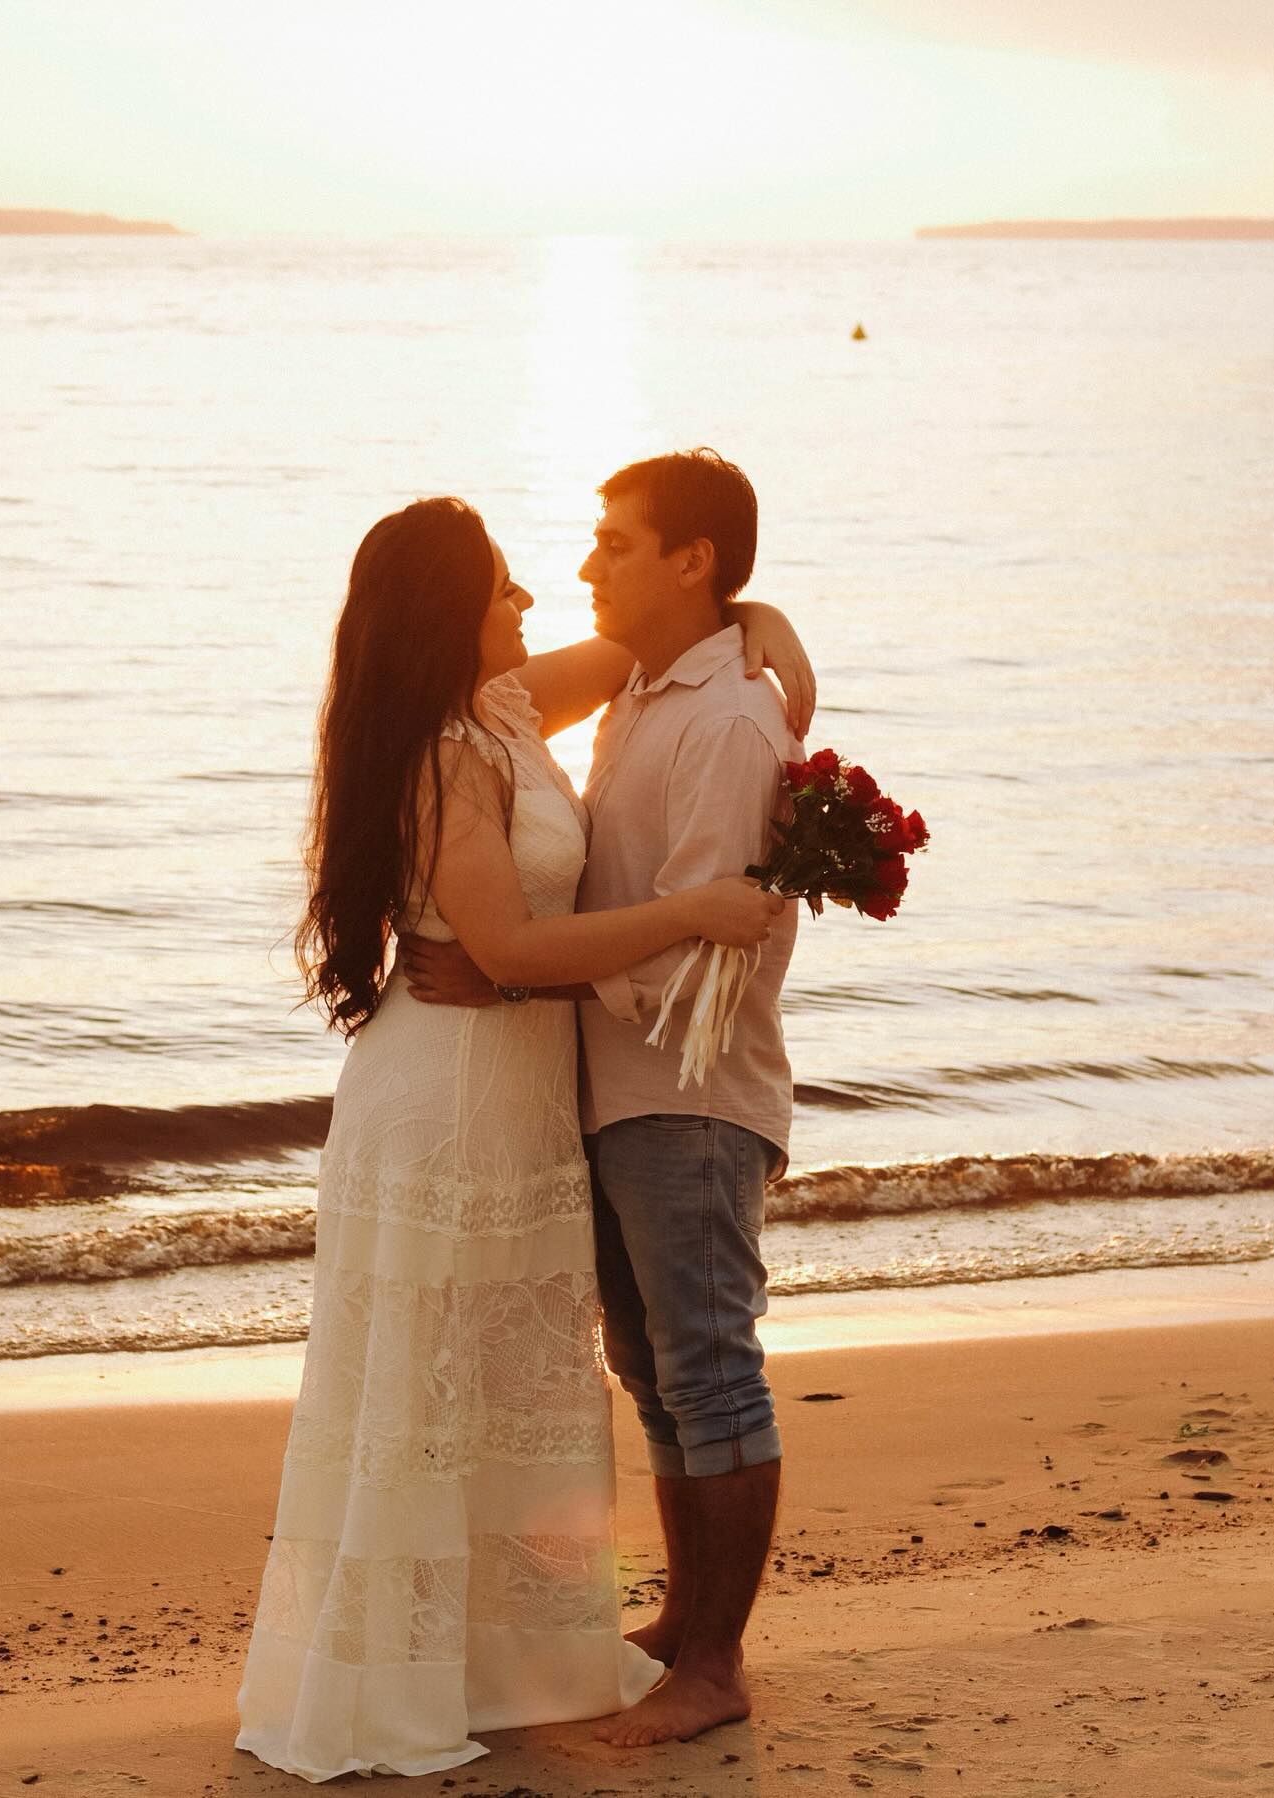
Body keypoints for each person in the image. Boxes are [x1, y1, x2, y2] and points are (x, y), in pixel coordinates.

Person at [234, 493, 810, 1781]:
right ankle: (410, 1669)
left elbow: (665, 643)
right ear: (455, 614)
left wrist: (769, 620)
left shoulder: (501, 707)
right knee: (432, 1390)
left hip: (526, 1092)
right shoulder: (447, 747)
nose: (533, 601)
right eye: (505, 587)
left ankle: (501, 1654)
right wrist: (696, 911)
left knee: (503, 1387)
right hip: (445, 1100)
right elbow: (506, 948)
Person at [402, 450, 805, 1749]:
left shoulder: (732, 718)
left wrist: (523, 970)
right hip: (607, 1088)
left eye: (615, 543)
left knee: (708, 1367)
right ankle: (687, 1623)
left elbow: (707, 948)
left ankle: (719, 1662)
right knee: (651, 1366)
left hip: (685, 1093)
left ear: (692, 560)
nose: (586, 566)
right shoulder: (643, 685)